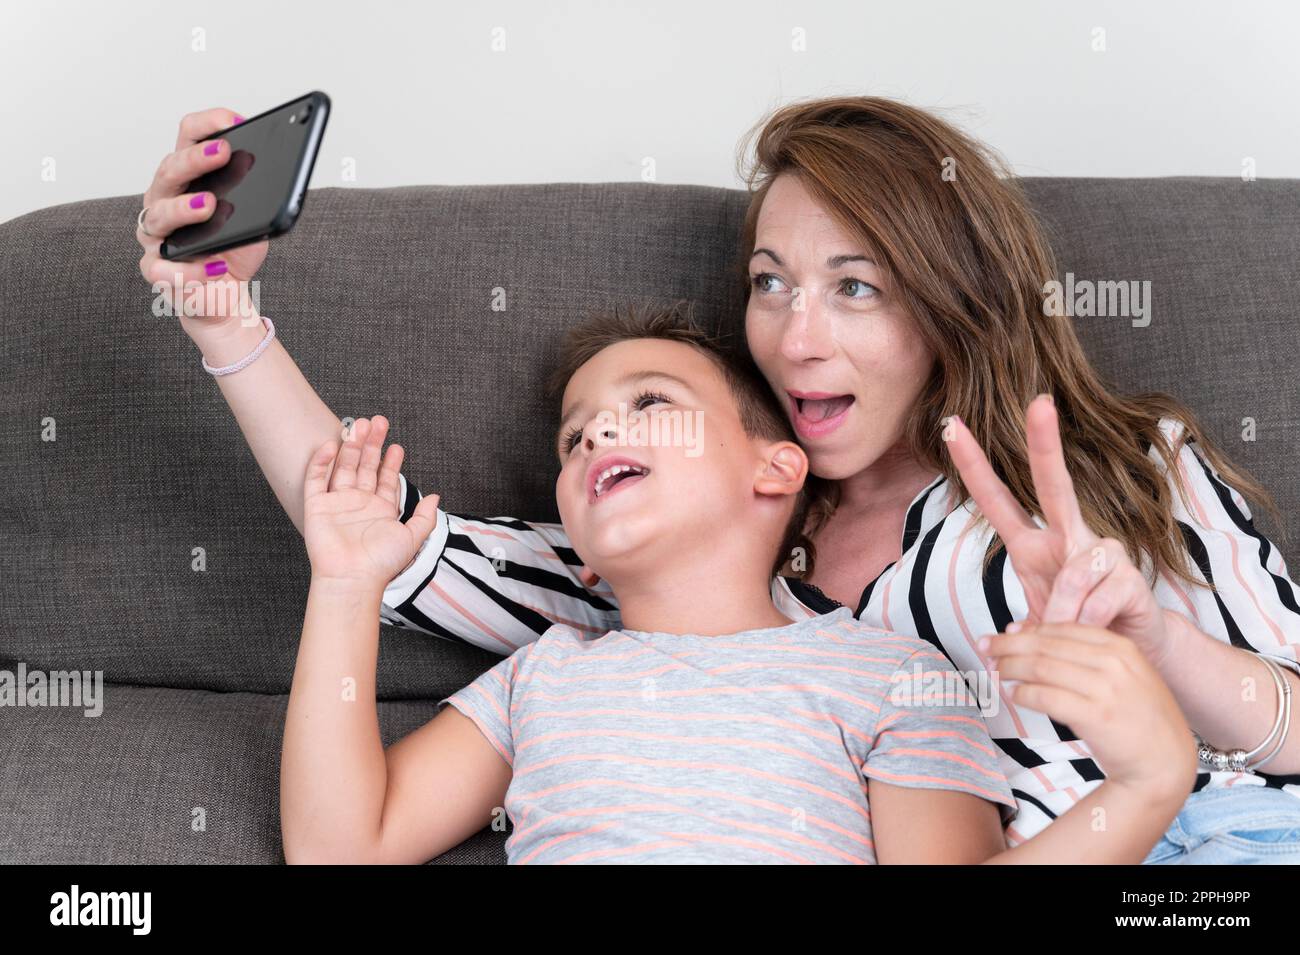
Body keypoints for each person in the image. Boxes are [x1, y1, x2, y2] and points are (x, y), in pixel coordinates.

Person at [137, 97, 1300, 861]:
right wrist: (225, 324)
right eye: (768, 281)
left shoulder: (1117, 470)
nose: (794, 339)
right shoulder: (651, 567)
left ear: (956, 302)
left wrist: (1162, 651)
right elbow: (378, 531)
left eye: (855, 286)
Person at [279, 304, 1194, 863]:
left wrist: (1150, 783)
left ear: (777, 469)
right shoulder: (541, 678)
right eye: (573, 436)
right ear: (582, 554)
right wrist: (347, 583)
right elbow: (338, 845)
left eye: (648, 405)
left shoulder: (891, 677)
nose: (597, 434)